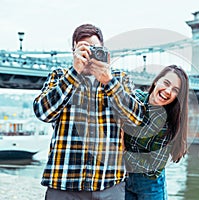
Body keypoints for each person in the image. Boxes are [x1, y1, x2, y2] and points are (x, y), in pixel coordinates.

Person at [33, 23, 145, 200]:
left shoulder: (120, 79)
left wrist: (109, 82)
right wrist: (74, 73)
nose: (90, 54)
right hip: (63, 185)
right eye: (84, 48)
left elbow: (136, 119)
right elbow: (43, 113)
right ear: (73, 52)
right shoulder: (59, 76)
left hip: (109, 184)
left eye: (95, 49)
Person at [102, 65, 189, 199]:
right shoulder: (134, 98)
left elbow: (152, 170)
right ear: (156, 81)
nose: (168, 91)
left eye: (175, 90)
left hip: (150, 186)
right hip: (122, 179)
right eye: (166, 83)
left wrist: (124, 151)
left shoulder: (167, 125)